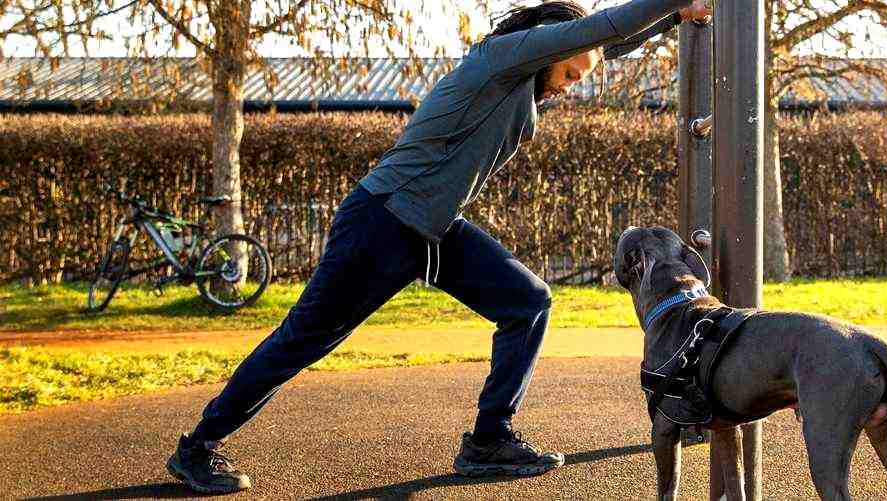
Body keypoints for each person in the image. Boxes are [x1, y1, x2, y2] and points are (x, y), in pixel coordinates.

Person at [166, 0, 712, 494]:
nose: (570, 84)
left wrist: (675, 17)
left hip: (432, 227)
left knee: (527, 302)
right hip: (383, 222)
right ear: (551, 48)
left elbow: (605, 43)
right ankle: (197, 448)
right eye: (569, 72)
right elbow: (604, 27)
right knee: (301, 342)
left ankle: (488, 440)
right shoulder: (502, 59)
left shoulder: (528, 74)